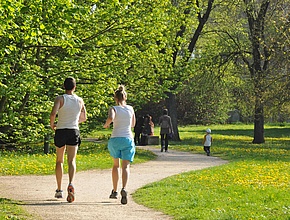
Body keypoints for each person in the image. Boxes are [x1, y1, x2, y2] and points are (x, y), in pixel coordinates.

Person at [50, 77, 87, 203]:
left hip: (61, 130)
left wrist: (52, 124)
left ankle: (59, 189)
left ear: (64, 86)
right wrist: (75, 121)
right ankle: (71, 183)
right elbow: (84, 117)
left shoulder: (60, 99)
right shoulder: (80, 100)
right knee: (71, 160)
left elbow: (53, 113)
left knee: (59, 160)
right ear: (74, 87)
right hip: (73, 130)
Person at [103, 85, 136, 205]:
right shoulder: (131, 109)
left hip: (115, 138)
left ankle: (115, 190)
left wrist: (106, 125)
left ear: (115, 98)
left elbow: (111, 118)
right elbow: (133, 124)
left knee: (115, 165)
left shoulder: (113, 108)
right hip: (127, 138)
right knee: (125, 166)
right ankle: (124, 188)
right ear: (125, 97)